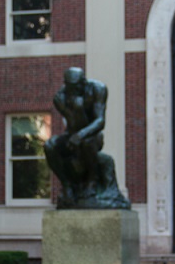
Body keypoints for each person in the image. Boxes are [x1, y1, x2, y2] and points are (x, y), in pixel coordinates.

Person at [44, 67, 130, 209]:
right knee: (49, 146)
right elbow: (73, 124)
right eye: (69, 88)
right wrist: (66, 110)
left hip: (93, 135)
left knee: (86, 142)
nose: (72, 91)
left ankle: (92, 182)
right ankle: (67, 186)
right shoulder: (61, 96)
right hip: (72, 134)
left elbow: (100, 121)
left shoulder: (98, 89)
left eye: (75, 87)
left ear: (83, 82)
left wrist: (81, 134)